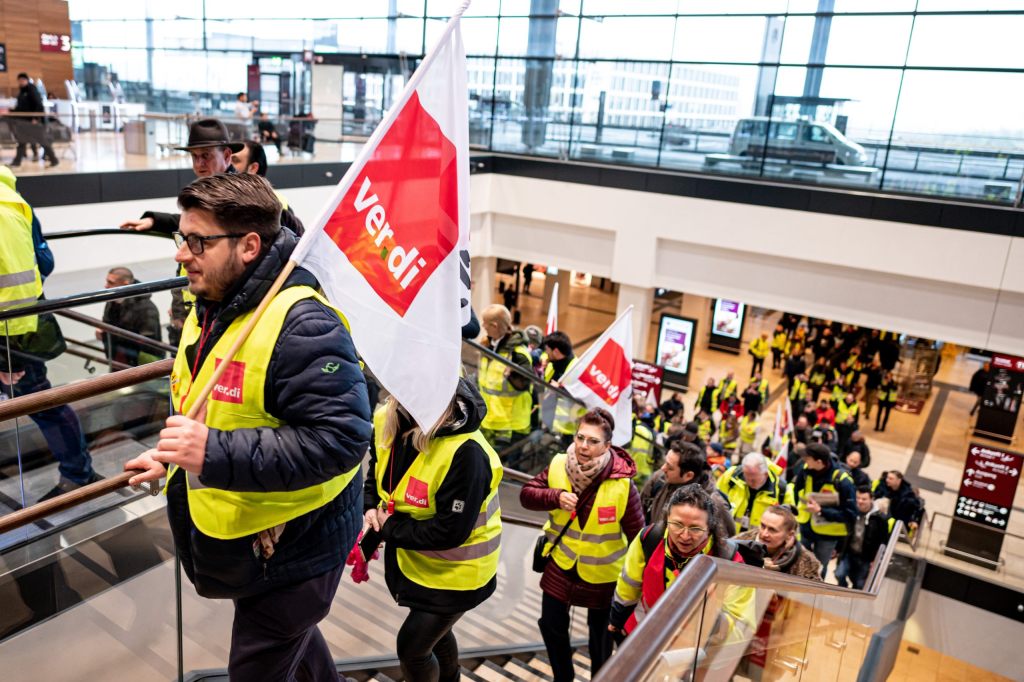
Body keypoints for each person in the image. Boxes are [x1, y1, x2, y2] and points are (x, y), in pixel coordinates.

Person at [123, 173, 372, 680]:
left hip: (298, 547)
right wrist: (173, 456)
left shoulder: (304, 325)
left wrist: (211, 452)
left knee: (258, 665)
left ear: (250, 246)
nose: (181, 253)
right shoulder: (215, 305)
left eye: (198, 242)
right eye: (181, 238)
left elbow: (341, 438)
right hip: (257, 542)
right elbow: (215, 405)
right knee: (296, 647)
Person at [363, 379, 502, 682]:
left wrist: (390, 529)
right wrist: (370, 504)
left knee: (412, 649)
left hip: (460, 574)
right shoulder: (389, 416)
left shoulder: (467, 453)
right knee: (436, 638)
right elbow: (377, 468)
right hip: (417, 564)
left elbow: (450, 531)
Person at [520, 408, 644, 682]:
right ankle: (563, 677)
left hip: (603, 574)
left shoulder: (623, 485)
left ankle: (600, 677)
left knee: (600, 637)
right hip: (561, 563)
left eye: (593, 441)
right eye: (580, 438)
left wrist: (635, 583)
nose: (584, 446)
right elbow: (527, 495)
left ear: (607, 446)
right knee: (551, 625)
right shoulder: (557, 465)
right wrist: (555, 496)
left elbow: (638, 537)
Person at [1, 165, 100, 500]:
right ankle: (79, 472)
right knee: (43, 405)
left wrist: (6, 352)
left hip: (10, 336)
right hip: (15, 332)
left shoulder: (3, 206)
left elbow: (15, 286)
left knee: (44, 404)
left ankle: (78, 473)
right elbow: (43, 260)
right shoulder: (13, 200)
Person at [608, 484, 751, 638]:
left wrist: (710, 614)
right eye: (677, 525)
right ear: (666, 519)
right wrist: (617, 620)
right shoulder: (649, 538)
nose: (684, 536)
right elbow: (629, 584)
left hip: (689, 650)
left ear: (709, 528)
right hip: (644, 635)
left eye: (695, 529)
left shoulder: (730, 561)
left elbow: (740, 624)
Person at [788, 443, 857, 578]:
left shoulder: (843, 481)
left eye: (807, 459)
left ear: (819, 462)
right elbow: (796, 490)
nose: (804, 461)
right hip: (806, 527)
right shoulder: (806, 470)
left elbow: (850, 514)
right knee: (797, 562)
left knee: (819, 568)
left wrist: (821, 511)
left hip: (827, 535)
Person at [640, 441, 734, 533]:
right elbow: (639, 511)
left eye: (670, 467)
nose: (663, 468)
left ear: (688, 475)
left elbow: (726, 538)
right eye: (665, 462)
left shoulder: (714, 503)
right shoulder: (659, 478)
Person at [477, 304, 533, 448]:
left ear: (495, 326)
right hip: (489, 418)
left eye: (485, 323)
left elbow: (525, 383)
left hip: (508, 425)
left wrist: (512, 375)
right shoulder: (488, 345)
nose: (483, 326)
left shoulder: (518, 353)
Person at [230, 140, 305, 235]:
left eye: (235, 160)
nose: (228, 164)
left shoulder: (274, 206)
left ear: (253, 168)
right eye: (227, 158)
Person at [735, 505, 822, 580]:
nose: (764, 534)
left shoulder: (807, 565)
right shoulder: (737, 544)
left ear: (789, 534)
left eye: (772, 530)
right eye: (763, 526)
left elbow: (812, 596)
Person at [99, 267, 163, 366]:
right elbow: (106, 323)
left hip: (138, 363)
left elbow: (148, 342)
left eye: (111, 283)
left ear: (125, 285)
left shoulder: (146, 307)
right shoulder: (111, 301)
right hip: (118, 357)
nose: (106, 286)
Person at [716, 452, 790, 534]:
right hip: (728, 535)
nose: (749, 482)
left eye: (753, 480)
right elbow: (716, 500)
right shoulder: (732, 476)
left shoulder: (782, 490)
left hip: (760, 541)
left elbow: (789, 523)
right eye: (746, 477)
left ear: (765, 474)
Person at [836, 488, 891, 590]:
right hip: (849, 552)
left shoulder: (880, 518)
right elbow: (843, 532)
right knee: (839, 574)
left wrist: (877, 559)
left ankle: (852, 600)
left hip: (866, 557)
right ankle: (843, 591)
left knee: (859, 583)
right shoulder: (851, 512)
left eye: (864, 499)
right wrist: (838, 548)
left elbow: (884, 540)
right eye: (858, 498)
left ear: (871, 499)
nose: (860, 501)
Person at [542, 331, 581, 446]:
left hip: (568, 433)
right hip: (549, 427)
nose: (545, 353)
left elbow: (582, 397)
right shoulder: (552, 364)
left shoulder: (577, 369)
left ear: (556, 351)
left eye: (547, 350)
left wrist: (561, 390)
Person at [10, 73, 58, 167]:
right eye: (19, 80)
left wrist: (35, 118)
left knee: (42, 140)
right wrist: (12, 111)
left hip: (33, 123)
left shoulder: (32, 90)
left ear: (26, 80)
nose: (20, 82)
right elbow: (21, 107)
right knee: (21, 141)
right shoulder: (22, 91)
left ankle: (54, 159)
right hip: (24, 122)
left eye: (22, 80)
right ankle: (17, 161)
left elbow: (38, 105)